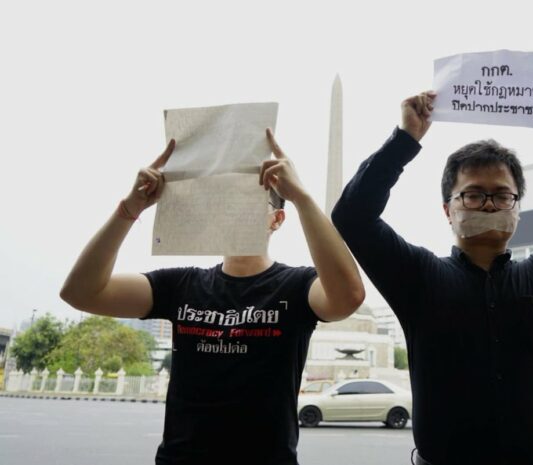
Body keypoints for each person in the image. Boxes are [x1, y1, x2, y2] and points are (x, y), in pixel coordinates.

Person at [332, 81, 533, 465]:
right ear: (448, 210)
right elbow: (352, 216)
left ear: (518, 208)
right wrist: (404, 140)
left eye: (502, 195)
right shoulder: (417, 278)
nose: (487, 204)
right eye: (472, 194)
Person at [60, 129, 365, 465]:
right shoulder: (181, 285)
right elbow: (81, 292)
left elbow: (348, 296)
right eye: (225, 202)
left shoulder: (296, 286)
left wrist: (302, 198)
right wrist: (128, 210)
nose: (233, 212)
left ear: (276, 219)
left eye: (249, 202)